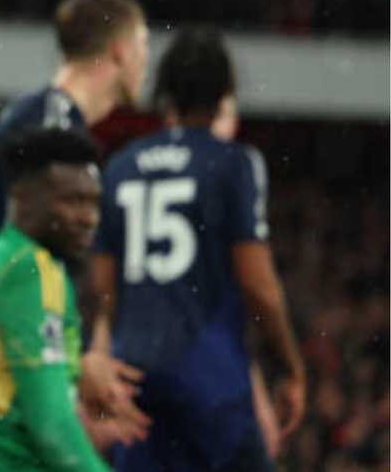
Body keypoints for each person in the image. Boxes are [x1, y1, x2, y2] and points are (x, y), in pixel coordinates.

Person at [88, 28, 306, 471]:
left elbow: (104, 288)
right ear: (225, 93)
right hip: (209, 377)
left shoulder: (120, 166)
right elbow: (258, 285)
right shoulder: (233, 163)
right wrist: (291, 367)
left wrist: (107, 353)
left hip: (137, 379)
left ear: (165, 91)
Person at [0, 129, 147, 472]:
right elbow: (52, 429)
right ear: (21, 195)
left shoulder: (8, 261)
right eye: (72, 200)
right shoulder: (28, 271)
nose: (89, 218)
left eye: (94, 202)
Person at [0, 0, 149, 248]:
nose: (147, 59)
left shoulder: (35, 115)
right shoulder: (52, 129)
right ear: (120, 51)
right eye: (142, 44)